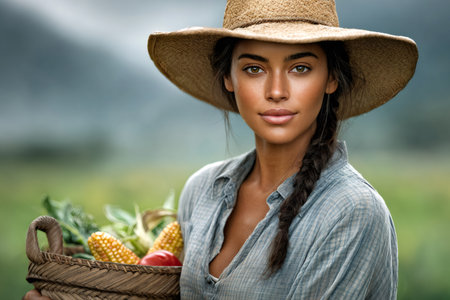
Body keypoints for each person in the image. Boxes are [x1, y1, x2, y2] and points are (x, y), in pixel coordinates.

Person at [25, 0, 417, 299]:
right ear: (229, 79)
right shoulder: (204, 189)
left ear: (330, 78)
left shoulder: (350, 212)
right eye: (254, 68)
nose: (276, 90)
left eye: (300, 68)